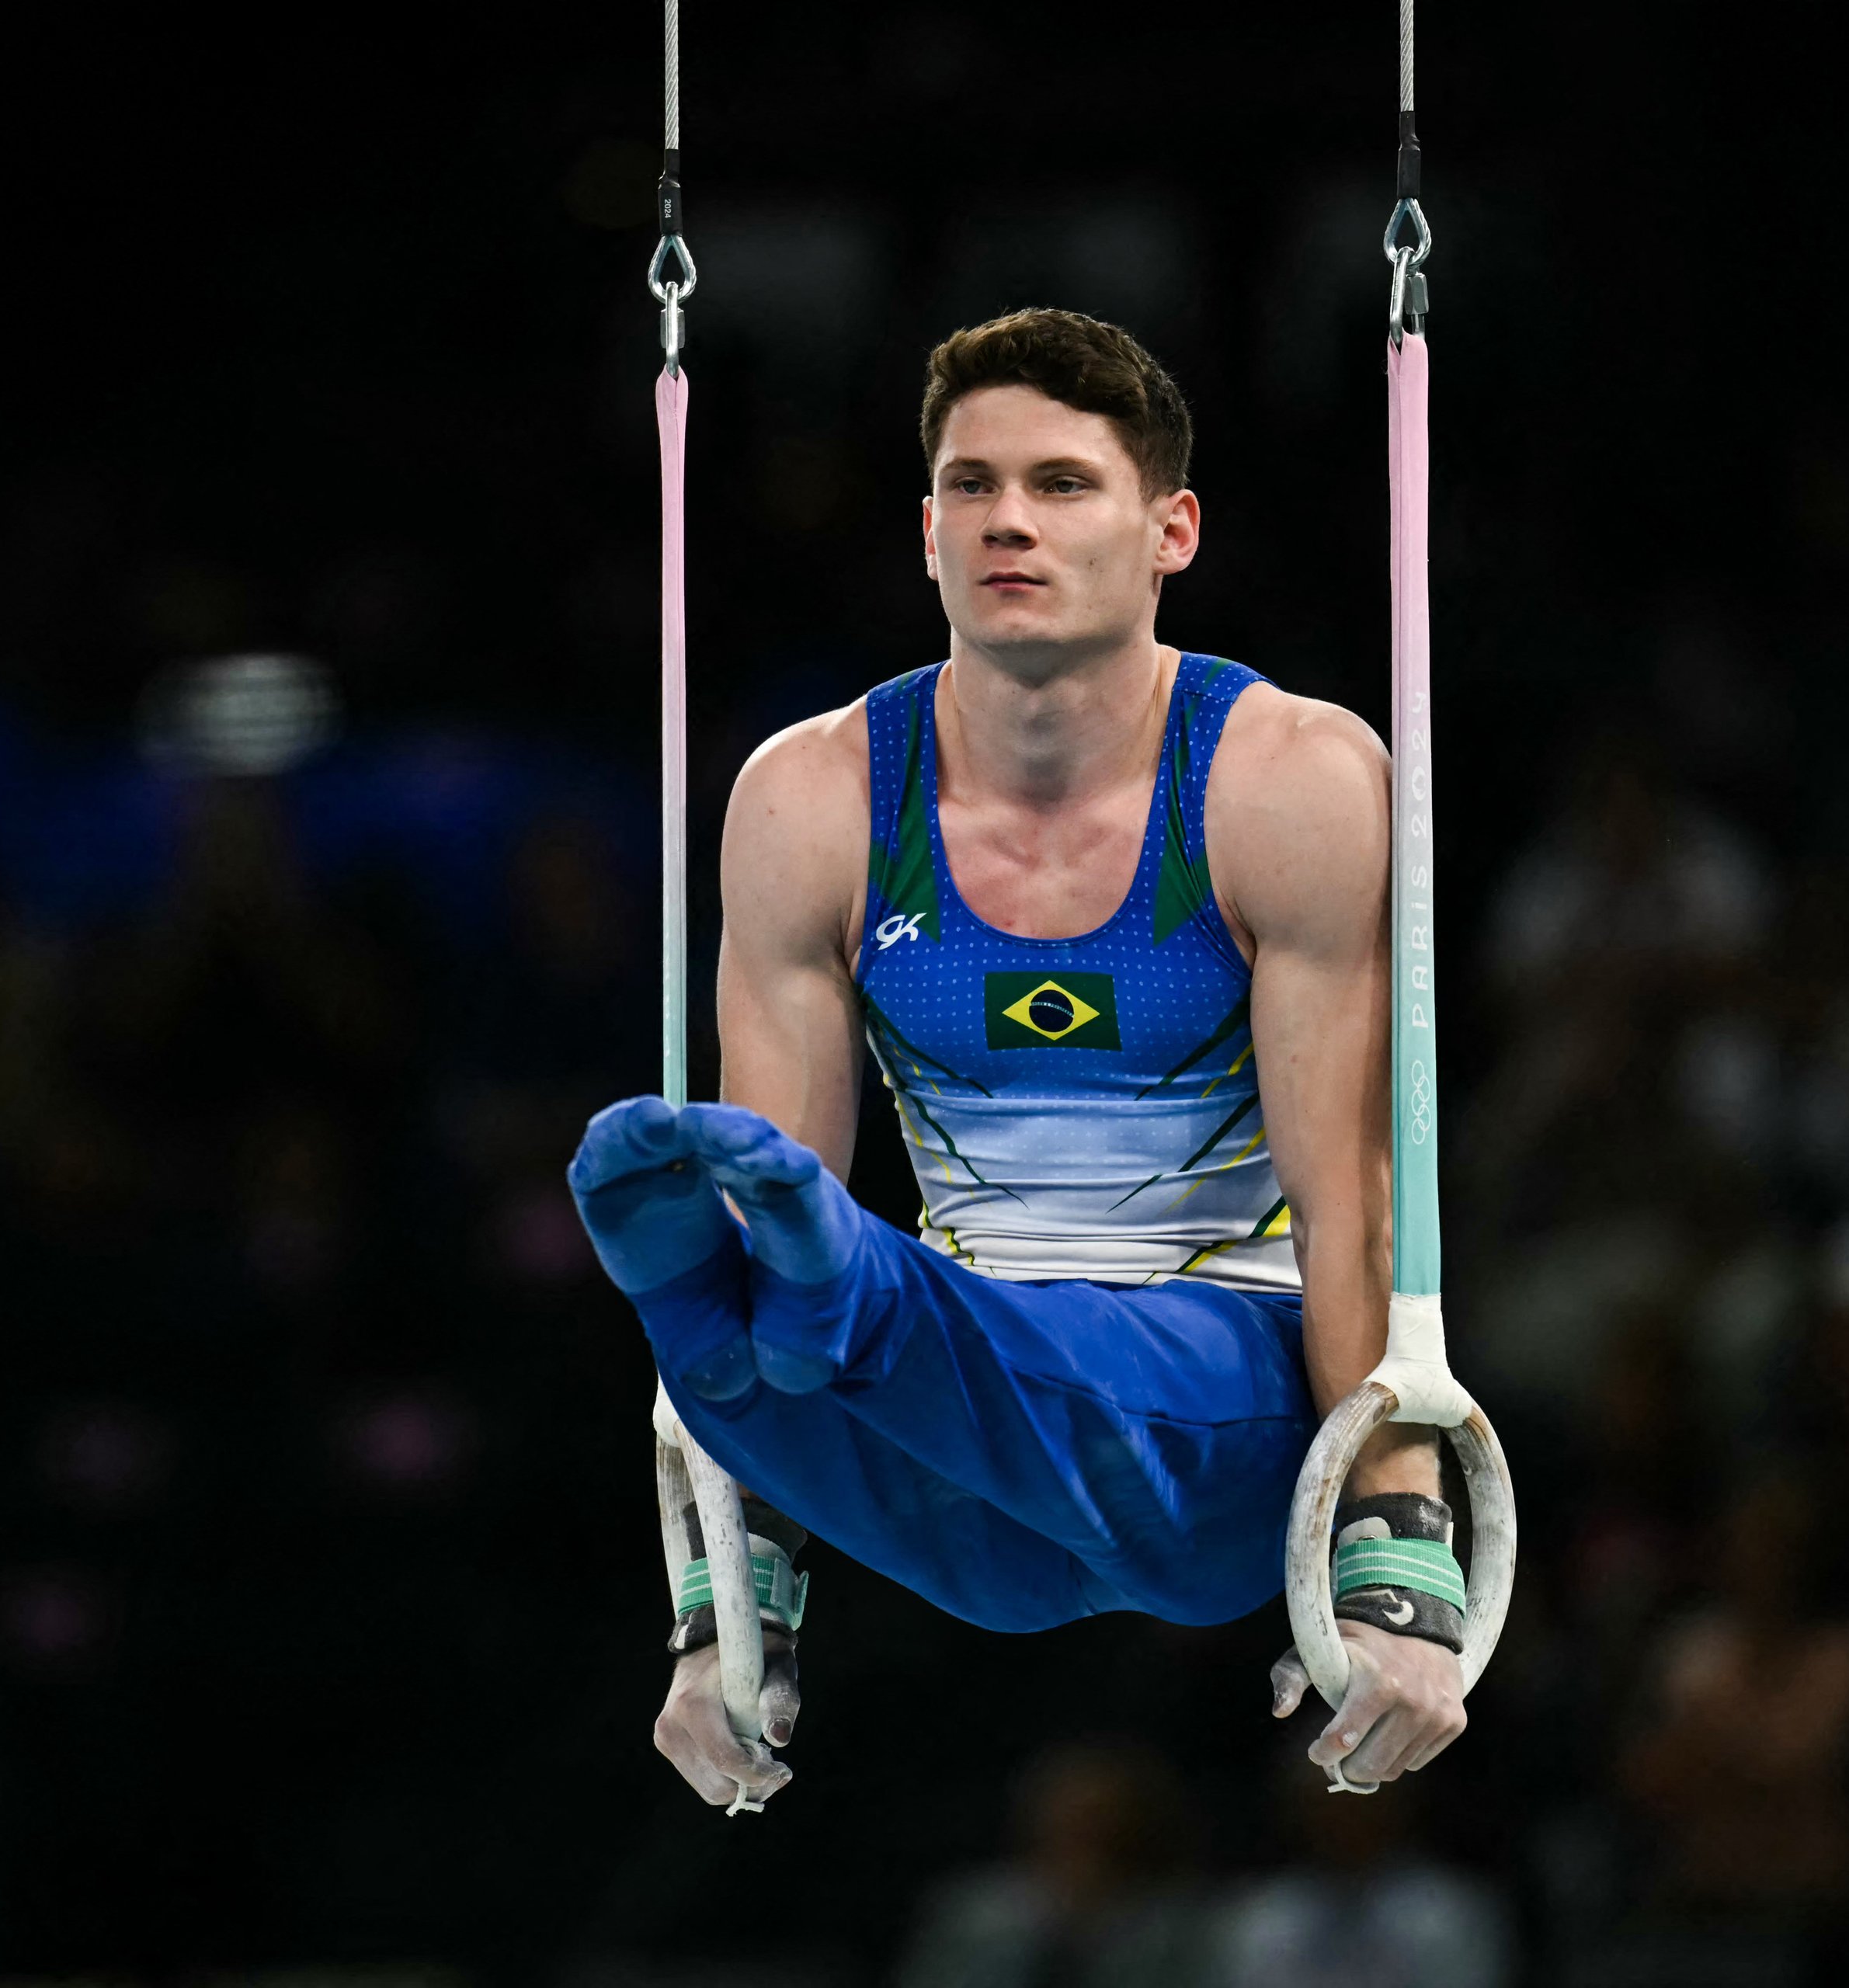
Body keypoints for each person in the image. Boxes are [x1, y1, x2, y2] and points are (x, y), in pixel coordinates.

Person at [571, 309, 1468, 1809]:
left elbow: (1350, 1203)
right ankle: (757, 1292)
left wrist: (1393, 1547)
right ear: (926, 531)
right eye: (972, 487)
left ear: (1170, 528)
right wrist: (727, 1614)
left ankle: (805, 1284)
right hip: (958, 1435)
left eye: (1062, 484)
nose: (1008, 520)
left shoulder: (1286, 780)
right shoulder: (813, 799)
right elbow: (779, 1212)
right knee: (759, 1300)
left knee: (827, 1300)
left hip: (1215, 1394)